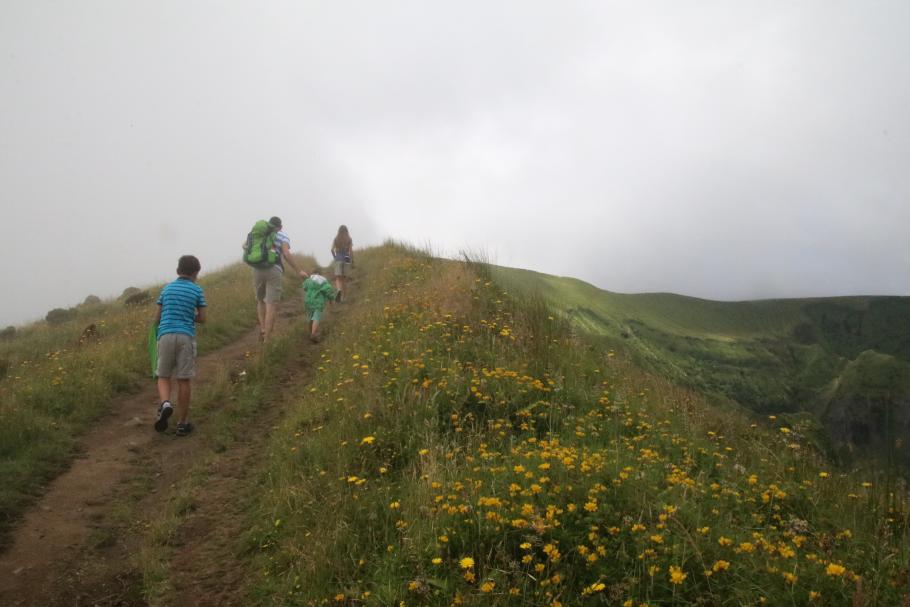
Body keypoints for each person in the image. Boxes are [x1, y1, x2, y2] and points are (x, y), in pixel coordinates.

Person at [154, 255, 207, 436]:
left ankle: (165, 403)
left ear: (178, 271)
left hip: (165, 335)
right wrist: (189, 317)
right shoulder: (197, 290)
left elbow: (157, 318)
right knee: (183, 379)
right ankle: (183, 424)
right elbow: (203, 318)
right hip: (185, 337)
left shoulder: (166, 289)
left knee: (163, 375)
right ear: (196, 273)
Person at [249, 216, 307, 342]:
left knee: (260, 301)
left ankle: (263, 329)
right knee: (271, 305)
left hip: (257, 268)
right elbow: (286, 254)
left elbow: (245, 247)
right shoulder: (282, 236)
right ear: (280, 227)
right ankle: (267, 340)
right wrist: (299, 271)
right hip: (274, 270)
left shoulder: (259, 233)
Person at [302, 267, 336, 343]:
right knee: (316, 317)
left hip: (308, 302)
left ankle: (310, 332)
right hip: (318, 302)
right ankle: (313, 334)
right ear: (319, 273)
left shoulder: (308, 280)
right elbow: (328, 291)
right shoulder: (323, 281)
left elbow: (304, 287)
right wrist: (331, 299)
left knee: (310, 317)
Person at [330, 225, 353, 302]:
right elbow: (351, 251)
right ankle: (344, 298)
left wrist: (335, 257)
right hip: (346, 259)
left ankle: (339, 290)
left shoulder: (336, 239)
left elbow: (332, 250)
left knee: (338, 278)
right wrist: (351, 260)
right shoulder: (349, 239)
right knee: (344, 280)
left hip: (338, 258)